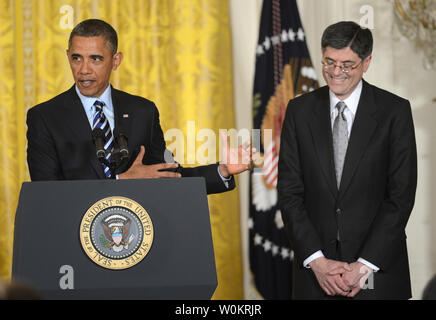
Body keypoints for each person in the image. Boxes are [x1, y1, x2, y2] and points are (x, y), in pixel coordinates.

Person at [26, 19, 251, 193]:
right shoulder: (44, 117)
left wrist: (221, 170)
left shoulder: (143, 111)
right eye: (77, 58)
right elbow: (48, 192)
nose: (84, 69)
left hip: (136, 237)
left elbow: (166, 175)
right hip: (74, 238)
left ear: (116, 61)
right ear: (68, 57)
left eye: (95, 59)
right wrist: (120, 181)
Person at [277, 21, 417, 299]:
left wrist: (364, 265)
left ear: (367, 63)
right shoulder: (299, 111)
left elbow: (400, 196)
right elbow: (290, 193)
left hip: (378, 272)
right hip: (315, 275)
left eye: (347, 65)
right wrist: (317, 261)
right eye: (329, 62)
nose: (336, 73)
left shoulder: (395, 112)